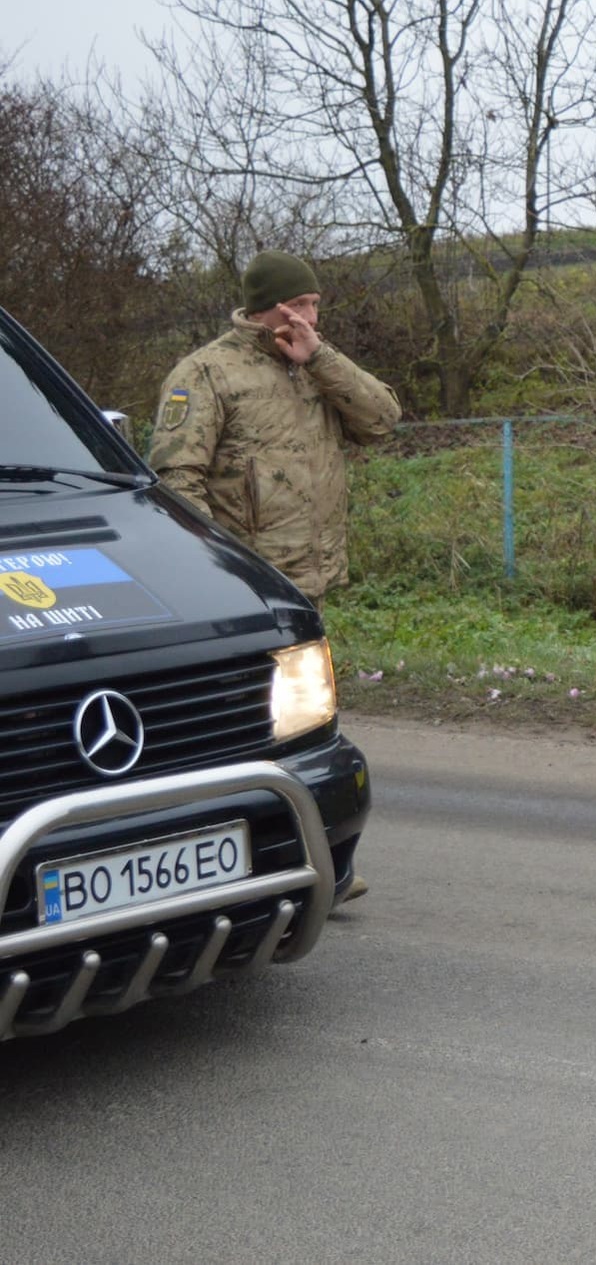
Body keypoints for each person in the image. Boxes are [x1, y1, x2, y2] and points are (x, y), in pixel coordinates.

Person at [148, 250, 401, 903]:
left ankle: (328, 867)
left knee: (309, 730)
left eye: (316, 305)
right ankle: (238, 862)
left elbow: (382, 420)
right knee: (249, 730)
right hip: (245, 592)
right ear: (274, 306)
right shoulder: (207, 373)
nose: (314, 315)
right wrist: (218, 573)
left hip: (305, 589)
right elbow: (177, 482)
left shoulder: (316, 365)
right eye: (305, 304)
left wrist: (319, 357)